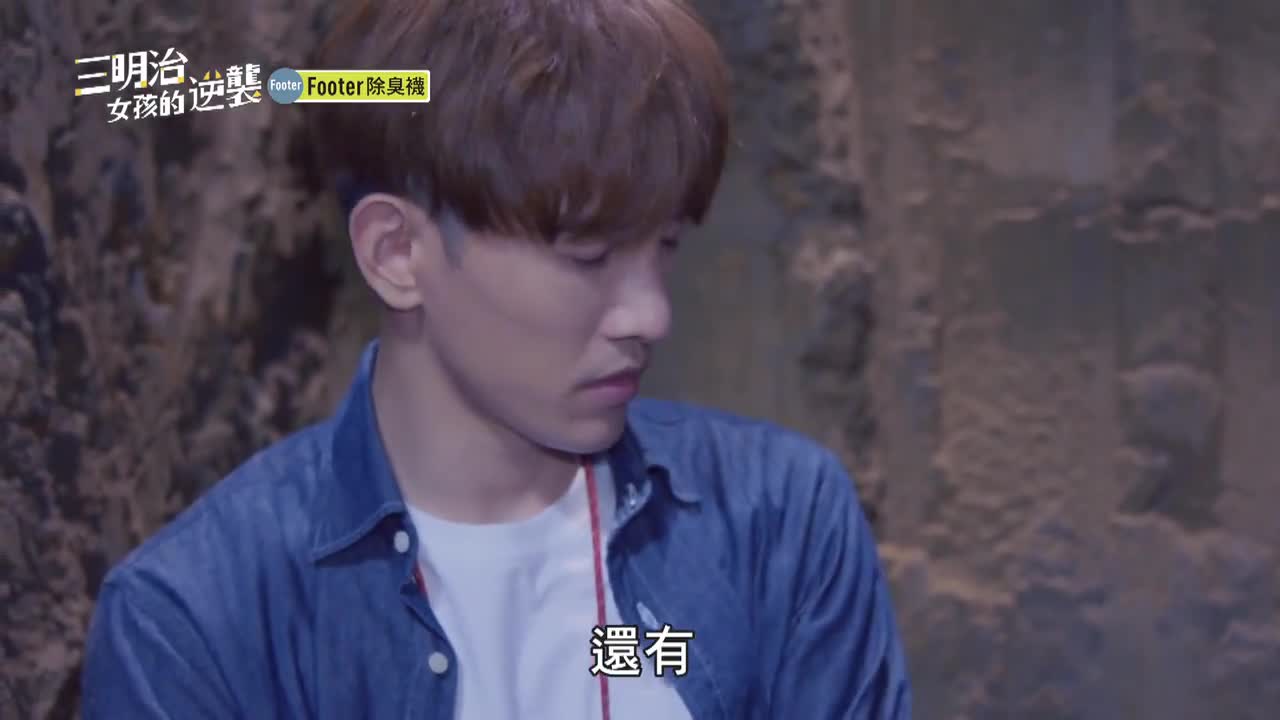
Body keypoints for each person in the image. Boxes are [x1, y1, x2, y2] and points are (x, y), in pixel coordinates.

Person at [81, 0, 911, 717]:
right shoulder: (194, 623)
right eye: (588, 256)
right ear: (396, 254)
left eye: (664, 246)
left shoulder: (779, 523)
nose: (651, 315)